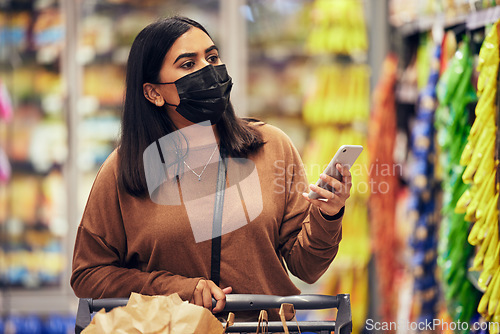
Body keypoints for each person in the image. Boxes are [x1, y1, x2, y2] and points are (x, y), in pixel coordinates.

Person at [70, 16, 351, 319]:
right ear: (153, 92)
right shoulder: (124, 170)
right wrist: (173, 289)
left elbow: (306, 268)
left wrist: (327, 213)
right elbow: (88, 276)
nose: (208, 70)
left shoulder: (271, 147)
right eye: (188, 64)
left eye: (212, 57)